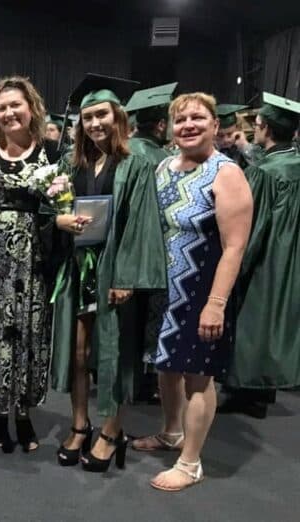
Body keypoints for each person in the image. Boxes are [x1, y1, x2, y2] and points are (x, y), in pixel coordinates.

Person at [134, 92, 252, 491]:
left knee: (198, 375)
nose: (188, 125)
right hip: (164, 290)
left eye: (198, 118)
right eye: (180, 119)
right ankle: (172, 433)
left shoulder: (227, 173)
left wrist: (216, 305)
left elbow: (235, 246)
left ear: (215, 126)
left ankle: (190, 463)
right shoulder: (164, 167)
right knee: (166, 367)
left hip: (202, 288)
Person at [49, 74, 166, 472]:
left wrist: (126, 278)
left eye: (101, 114)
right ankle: (80, 424)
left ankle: (112, 431)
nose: (94, 123)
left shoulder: (134, 164)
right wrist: (60, 220)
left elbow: (141, 224)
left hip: (113, 269)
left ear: (118, 117)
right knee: (79, 352)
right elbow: (54, 209)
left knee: (114, 353)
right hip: (78, 269)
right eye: (87, 117)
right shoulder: (72, 162)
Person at [0, 75, 60, 454]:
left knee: (27, 339)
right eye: (1, 107)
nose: (8, 113)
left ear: (31, 107)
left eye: (15, 105)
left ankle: (23, 414)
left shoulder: (52, 153)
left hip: (33, 267)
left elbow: (61, 205)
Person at [221, 92, 300, 417]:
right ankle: (263, 393)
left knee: (252, 319)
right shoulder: (293, 164)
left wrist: (234, 263)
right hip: (290, 255)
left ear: (264, 127)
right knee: (274, 322)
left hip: (266, 257)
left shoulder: (265, 173)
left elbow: (250, 225)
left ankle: (245, 392)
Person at [123, 82, 178, 404]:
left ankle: (124, 377)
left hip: (128, 246)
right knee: (153, 316)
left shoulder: (125, 152)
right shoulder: (168, 158)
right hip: (160, 250)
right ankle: (149, 381)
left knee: (129, 317)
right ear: (160, 125)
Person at [215, 104, 250, 168]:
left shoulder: (249, 144)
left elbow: (261, 168)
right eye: (220, 135)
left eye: (230, 134)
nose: (226, 140)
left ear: (237, 129)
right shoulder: (207, 150)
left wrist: (245, 147)